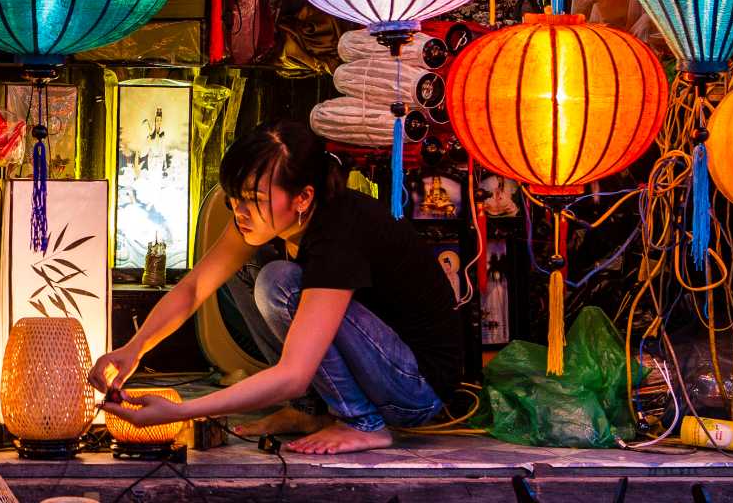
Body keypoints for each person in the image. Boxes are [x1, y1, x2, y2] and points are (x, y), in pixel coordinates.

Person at [92, 120, 463, 454]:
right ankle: (311, 412)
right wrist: (133, 349)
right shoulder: (261, 221)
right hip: (375, 370)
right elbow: (193, 288)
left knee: (278, 284)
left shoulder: (339, 234)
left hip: (414, 388)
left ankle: (362, 423)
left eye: (254, 201)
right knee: (245, 270)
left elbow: (293, 373)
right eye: (234, 198)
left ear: (303, 197)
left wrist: (181, 410)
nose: (240, 212)